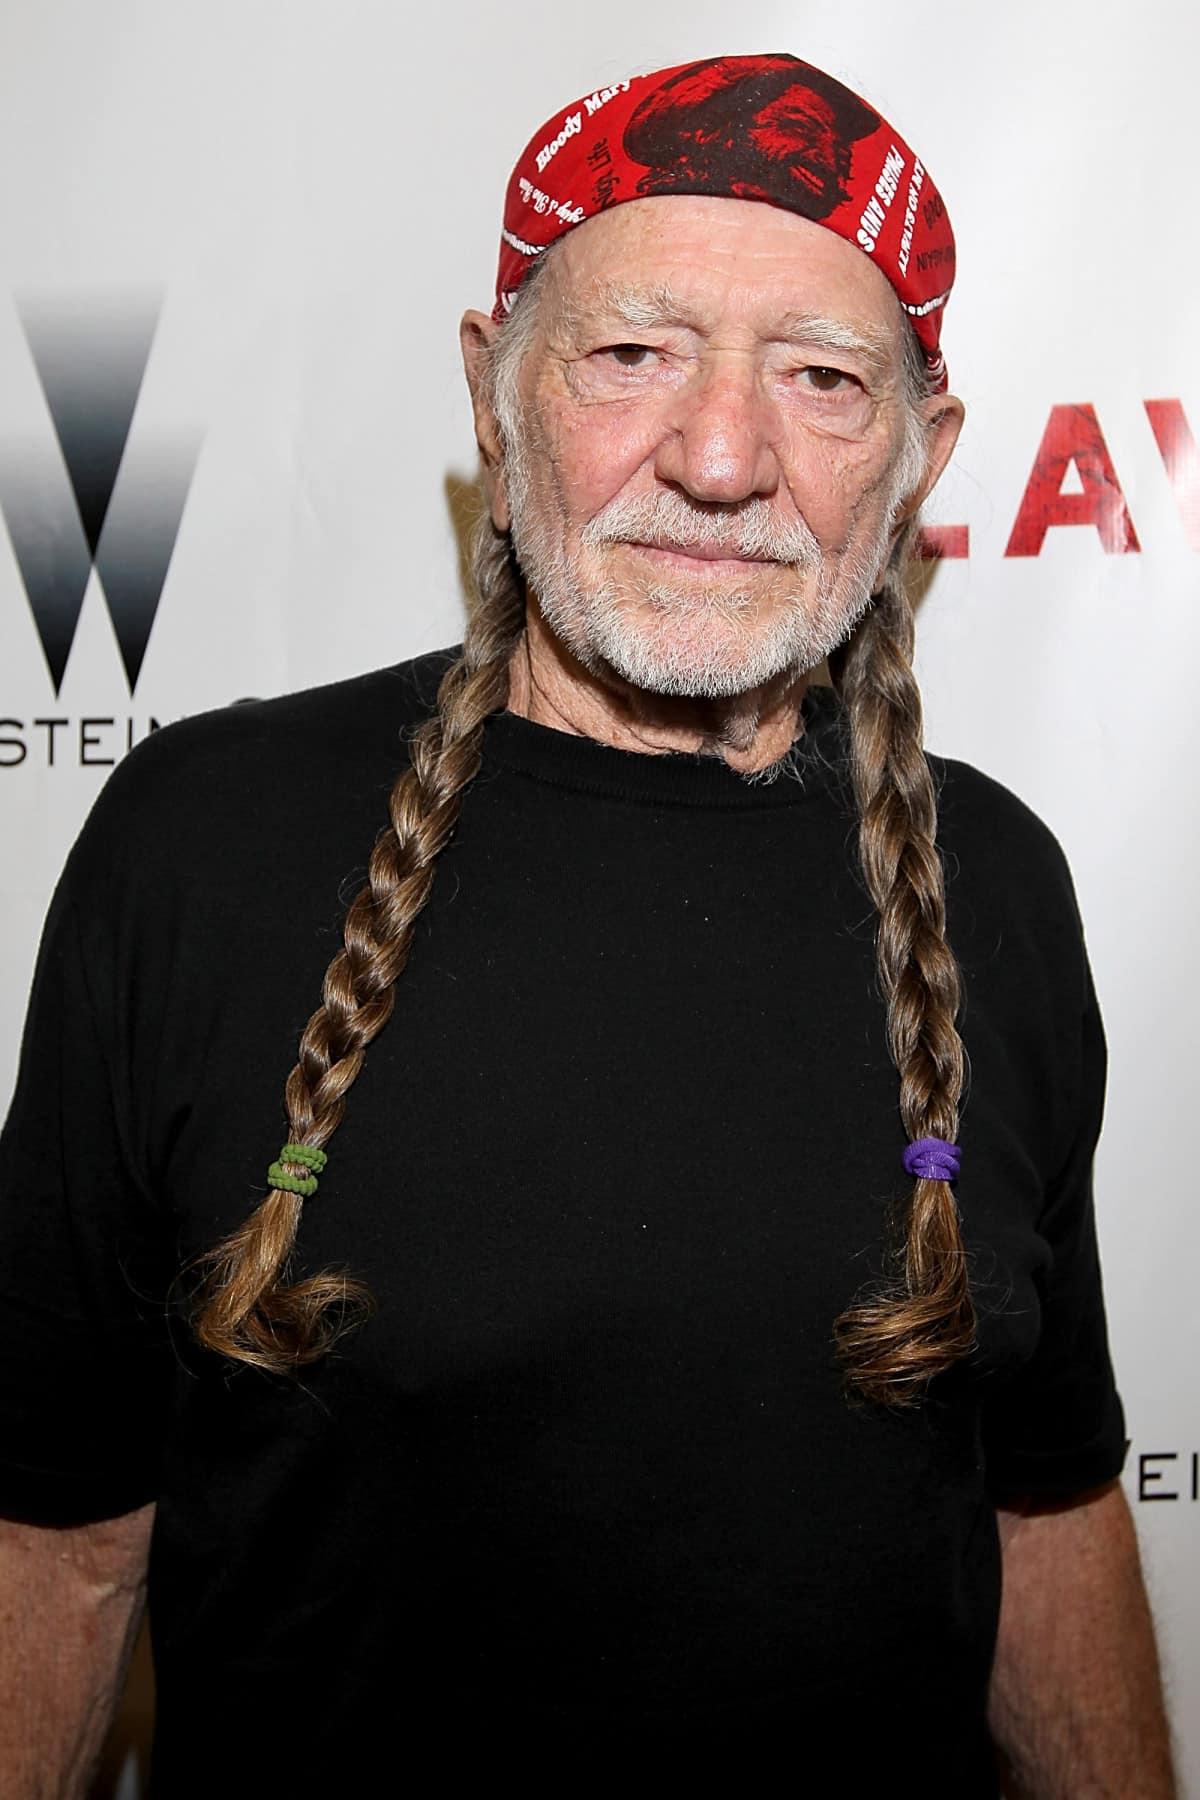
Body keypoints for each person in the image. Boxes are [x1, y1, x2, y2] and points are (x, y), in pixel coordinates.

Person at [0, 52, 1177, 1797]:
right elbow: (63, 1540)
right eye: (633, 355)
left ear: (926, 446)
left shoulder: (994, 882)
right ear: (495, 388)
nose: (719, 457)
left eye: (824, 378)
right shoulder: (202, 847)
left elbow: (1045, 1505)